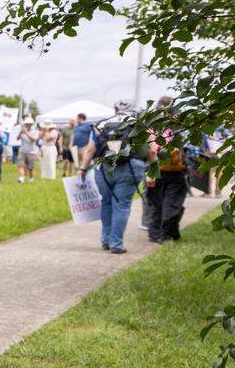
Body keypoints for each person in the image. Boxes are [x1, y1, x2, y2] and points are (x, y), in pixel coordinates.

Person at [78, 108, 149, 254]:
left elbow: (90, 150)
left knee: (106, 202)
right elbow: (152, 150)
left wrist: (83, 169)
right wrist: (153, 173)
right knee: (121, 205)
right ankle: (116, 244)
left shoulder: (103, 125)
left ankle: (105, 240)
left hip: (104, 168)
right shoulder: (138, 125)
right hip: (131, 167)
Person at [146, 101, 190, 243]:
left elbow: (152, 151)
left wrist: (151, 173)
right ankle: (167, 233)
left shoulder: (152, 129)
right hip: (177, 172)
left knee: (156, 204)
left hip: (157, 170)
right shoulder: (179, 128)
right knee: (172, 203)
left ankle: (155, 233)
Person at [16, 117, 39, 183]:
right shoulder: (22, 130)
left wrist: (26, 133)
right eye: (26, 124)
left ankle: (31, 179)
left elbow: (33, 139)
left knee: (30, 167)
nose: (27, 125)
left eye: (29, 124)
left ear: (31, 124)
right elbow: (17, 138)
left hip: (32, 152)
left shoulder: (35, 131)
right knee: (20, 165)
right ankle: (21, 178)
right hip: (22, 150)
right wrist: (20, 132)